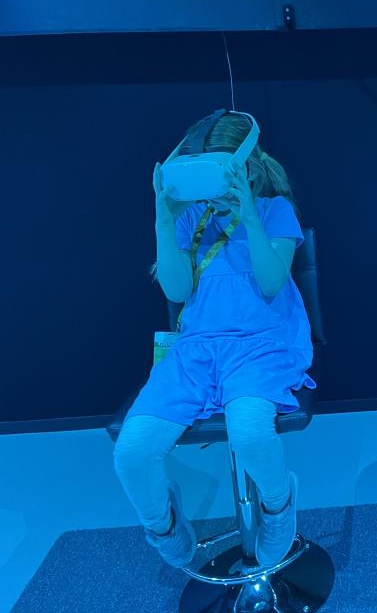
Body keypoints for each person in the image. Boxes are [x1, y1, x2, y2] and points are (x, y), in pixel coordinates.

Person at [113, 111, 315, 569]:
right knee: (133, 450)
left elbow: (269, 283)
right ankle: (163, 525)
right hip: (198, 349)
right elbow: (177, 290)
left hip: (261, 345)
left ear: (244, 164)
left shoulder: (273, 211)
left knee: (248, 432)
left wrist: (249, 216)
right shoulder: (191, 220)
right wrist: (165, 222)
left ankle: (279, 507)